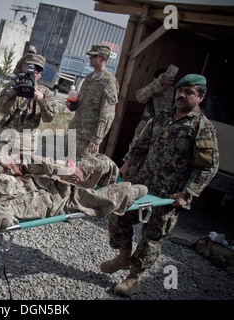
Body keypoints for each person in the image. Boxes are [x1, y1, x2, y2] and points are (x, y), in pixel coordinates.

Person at [102, 74, 219, 297]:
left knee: (151, 237)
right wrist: (126, 165)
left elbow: (208, 168)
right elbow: (141, 145)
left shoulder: (202, 129)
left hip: (169, 196)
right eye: (180, 90)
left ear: (201, 97)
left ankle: (134, 278)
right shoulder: (161, 118)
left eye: (189, 92)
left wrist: (188, 192)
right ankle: (124, 256)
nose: (182, 95)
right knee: (119, 215)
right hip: (144, 185)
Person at [0, 153, 148, 233]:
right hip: (63, 200)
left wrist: (61, 169)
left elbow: (22, 160)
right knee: (116, 195)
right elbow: (2, 222)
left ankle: (106, 181)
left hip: (57, 181)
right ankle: (126, 191)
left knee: (100, 161)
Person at [0, 53, 56, 157]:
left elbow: (49, 118)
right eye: (32, 67)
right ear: (24, 67)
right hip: (6, 141)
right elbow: (1, 108)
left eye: (38, 69)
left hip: (27, 146)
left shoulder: (45, 92)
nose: (35, 72)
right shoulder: (12, 86)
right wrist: (14, 91)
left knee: (21, 172)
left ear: (41, 73)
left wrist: (41, 99)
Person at [67, 44, 119, 158]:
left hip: (87, 139)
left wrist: (96, 138)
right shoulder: (89, 78)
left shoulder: (108, 82)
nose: (90, 58)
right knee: (67, 167)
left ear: (103, 59)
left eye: (93, 56)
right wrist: (73, 104)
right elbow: (82, 102)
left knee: (80, 171)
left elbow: (107, 115)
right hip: (75, 131)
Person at [123, 68, 175, 178]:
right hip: (144, 129)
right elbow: (140, 97)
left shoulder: (176, 94)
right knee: (133, 158)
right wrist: (157, 84)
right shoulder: (153, 89)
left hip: (163, 133)